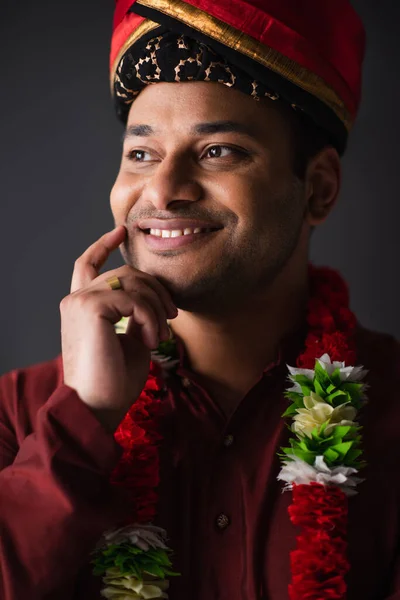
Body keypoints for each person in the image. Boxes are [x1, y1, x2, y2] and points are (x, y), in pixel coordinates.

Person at [1, 0, 400, 599]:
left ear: (318, 189)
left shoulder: (394, 410)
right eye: (141, 154)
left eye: (219, 152)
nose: (161, 190)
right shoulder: (19, 415)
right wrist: (84, 416)